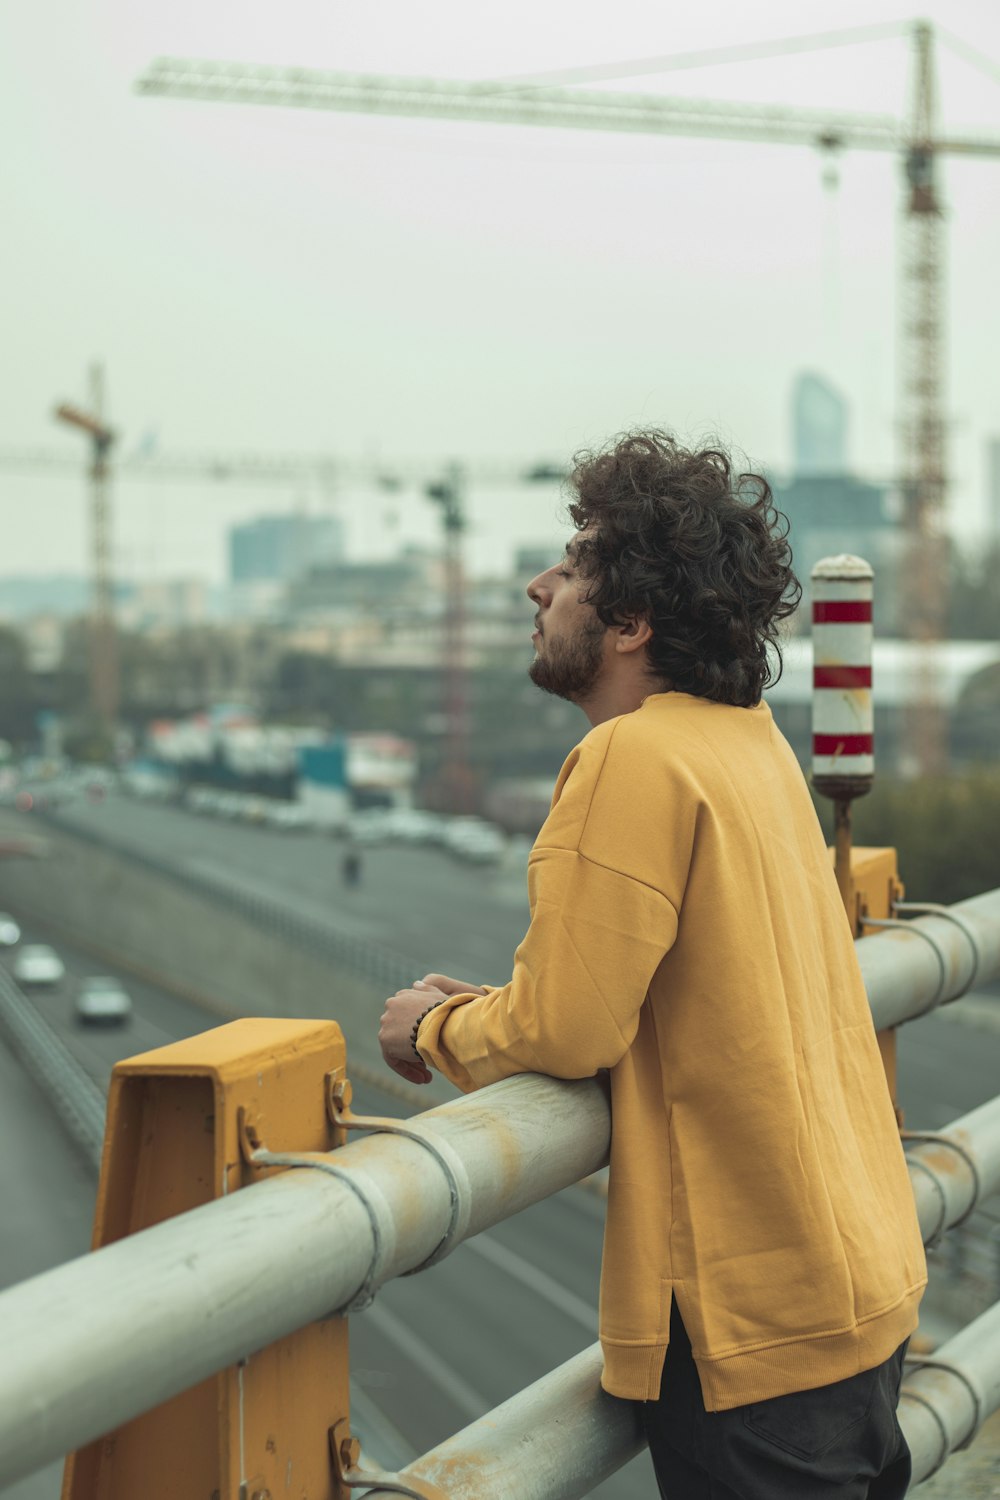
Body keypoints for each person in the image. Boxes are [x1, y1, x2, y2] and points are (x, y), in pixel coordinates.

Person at [378, 430, 926, 1499]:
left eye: (574, 563)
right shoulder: (747, 740)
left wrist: (432, 1028)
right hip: (854, 1282)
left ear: (630, 621)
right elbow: (658, 986)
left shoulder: (631, 756)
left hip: (751, 1324)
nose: (538, 586)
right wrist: (512, 1004)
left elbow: (572, 1030)